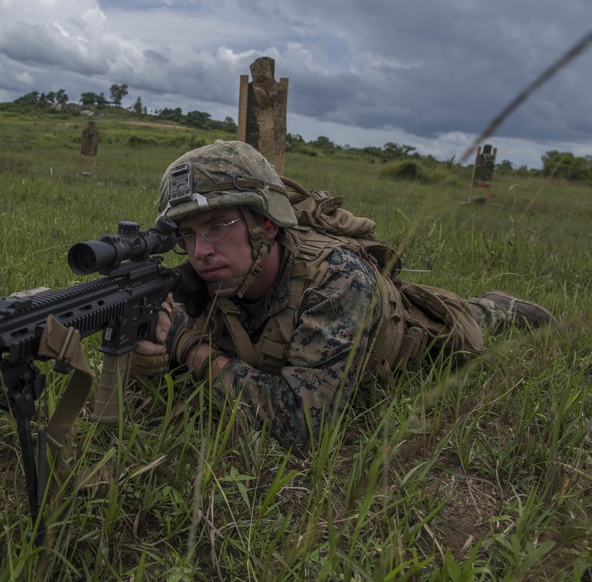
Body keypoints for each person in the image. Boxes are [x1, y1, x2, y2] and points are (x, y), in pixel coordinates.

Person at [132, 140, 554, 449]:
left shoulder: (338, 280)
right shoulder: (201, 277)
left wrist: (188, 348)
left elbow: (303, 424)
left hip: (409, 333)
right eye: (187, 235)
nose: (201, 251)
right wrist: (149, 352)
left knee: (462, 322)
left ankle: (498, 306)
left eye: (218, 226)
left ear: (266, 223)